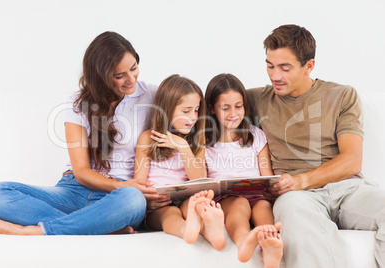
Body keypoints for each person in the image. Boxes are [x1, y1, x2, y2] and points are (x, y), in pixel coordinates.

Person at [0, 31, 159, 235]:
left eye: (134, 68)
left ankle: (34, 231)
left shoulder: (152, 95)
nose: (131, 79)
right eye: (119, 76)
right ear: (101, 77)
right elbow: (82, 171)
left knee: (133, 199)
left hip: (119, 197)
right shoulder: (78, 104)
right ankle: (97, 225)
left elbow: (188, 112)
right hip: (73, 190)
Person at [246, 24, 385, 267]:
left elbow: (352, 160)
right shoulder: (254, 100)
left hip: (348, 189)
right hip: (295, 198)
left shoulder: (342, 96)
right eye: (270, 66)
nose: (275, 76)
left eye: (285, 68)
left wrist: (301, 180)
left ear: (309, 66)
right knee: (297, 219)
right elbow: (204, 107)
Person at [134, 74, 226, 250]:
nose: (193, 117)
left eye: (197, 110)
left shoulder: (196, 140)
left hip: (186, 200)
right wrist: (147, 201)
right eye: (186, 111)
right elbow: (139, 181)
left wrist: (183, 147)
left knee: (199, 203)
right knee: (171, 213)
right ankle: (186, 230)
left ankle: (212, 233)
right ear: (167, 110)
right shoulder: (148, 138)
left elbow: (199, 178)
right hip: (156, 207)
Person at [204, 73, 283, 267]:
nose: (234, 113)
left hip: (256, 194)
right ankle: (244, 241)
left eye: (238, 106)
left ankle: (270, 245)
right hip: (226, 199)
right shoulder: (204, 142)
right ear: (212, 109)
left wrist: (272, 187)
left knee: (263, 207)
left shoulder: (255, 135)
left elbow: (267, 175)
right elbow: (201, 179)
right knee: (240, 204)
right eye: (225, 108)